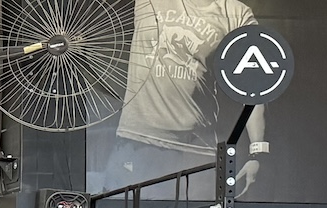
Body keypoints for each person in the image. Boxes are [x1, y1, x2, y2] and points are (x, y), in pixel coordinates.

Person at [106, 0, 268, 197]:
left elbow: (255, 87)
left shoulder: (236, 13)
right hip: (138, 141)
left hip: (197, 151)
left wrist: (257, 154)